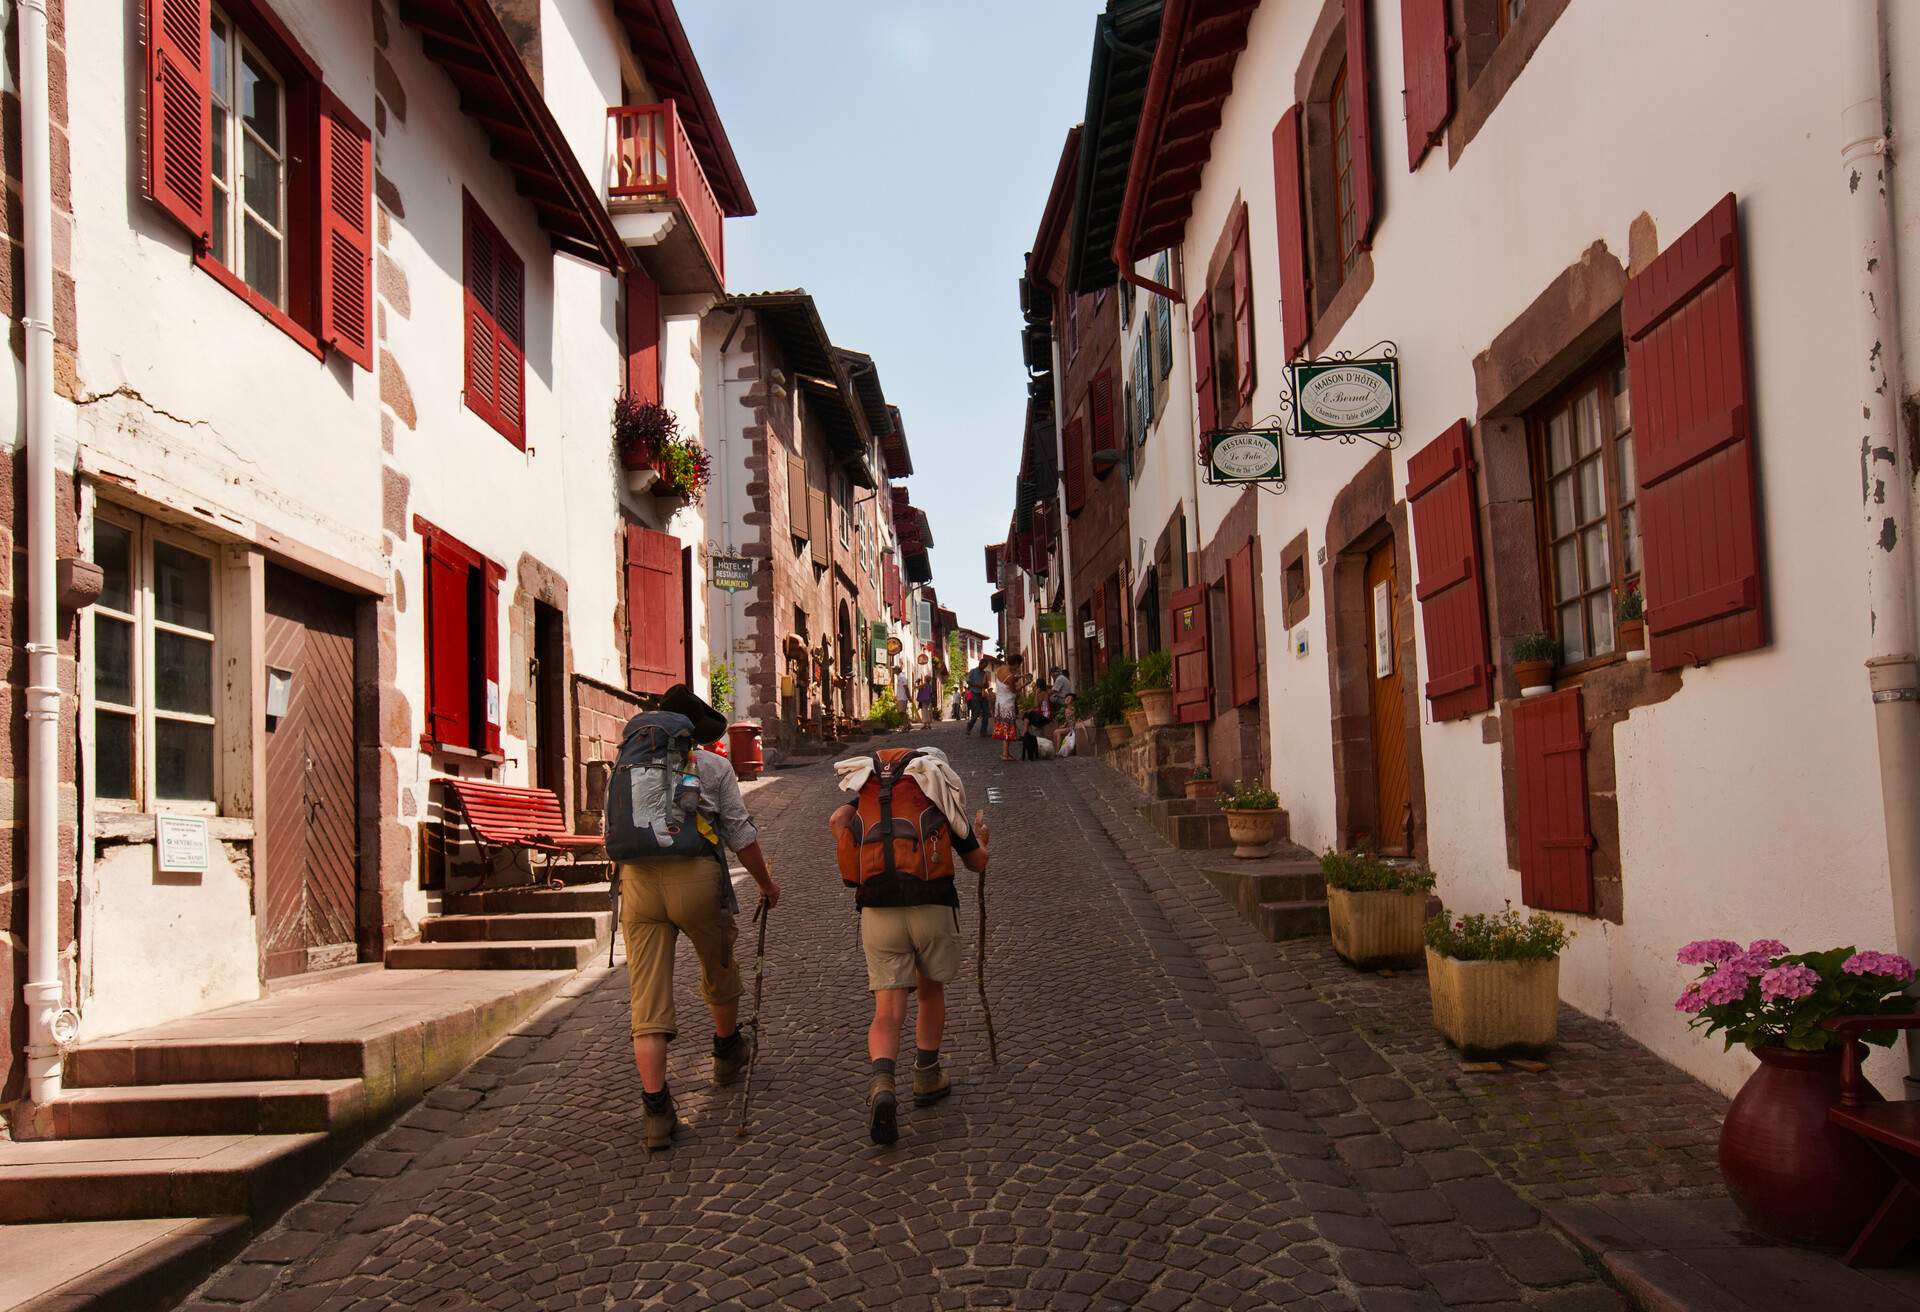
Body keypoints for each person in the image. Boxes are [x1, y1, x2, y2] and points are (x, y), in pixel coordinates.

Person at [618, 685, 781, 1151]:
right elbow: (739, 832)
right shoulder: (712, 766)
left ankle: (655, 1111)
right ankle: (727, 1050)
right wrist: (766, 884)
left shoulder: (629, 760)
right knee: (718, 963)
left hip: (638, 882)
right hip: (695, 878)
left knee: (647, 1000)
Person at [829, 748, 992, 1145]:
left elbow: (837, 821)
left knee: (886, 1009)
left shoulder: (867, 795)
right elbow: (976, 862)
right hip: (931, 904)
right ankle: (926, 1075)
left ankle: (883, 1084)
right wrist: (982, 838)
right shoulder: (936, 793)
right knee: (930, 990)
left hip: (878, 908)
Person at [990, 654, 1027, 762]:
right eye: (1019, 665)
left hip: (999, 703)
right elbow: (1014, 690)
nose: (1018, 667)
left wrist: (1022, 676)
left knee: (1004, 727)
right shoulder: (1010, 676)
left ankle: (1005, 753)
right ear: (1016, 663)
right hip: (1007, 704)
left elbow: (1008, 680)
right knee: (1008, 728)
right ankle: (1005, 754)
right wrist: (1026, 683)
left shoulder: (1001, 668)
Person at [965, 656, 994, 736]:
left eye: (985, 666)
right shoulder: (973, 671)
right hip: (974, 694)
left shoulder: (985, 673)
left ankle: (983, 731)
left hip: (983, 694)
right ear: (980, 663)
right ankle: (970, 725)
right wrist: (979, 686)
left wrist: (985, 685)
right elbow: (968, 681)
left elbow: (987, 685)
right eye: (983, 665)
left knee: (986, 713)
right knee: (977, 711)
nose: (983, 667)